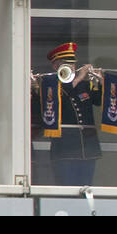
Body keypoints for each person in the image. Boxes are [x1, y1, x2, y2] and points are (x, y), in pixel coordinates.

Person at [30, 42, 102, 186]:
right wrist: (80, 77)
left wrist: (100, 81)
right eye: (66, 64)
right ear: (56, 66)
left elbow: (99, 100)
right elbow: (57, 99)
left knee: (86, 188)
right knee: (66, 189)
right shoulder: (48, 86)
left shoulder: (83, 85)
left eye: (73, 64)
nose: (72, 68)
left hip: (87, 149)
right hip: (65, 149)